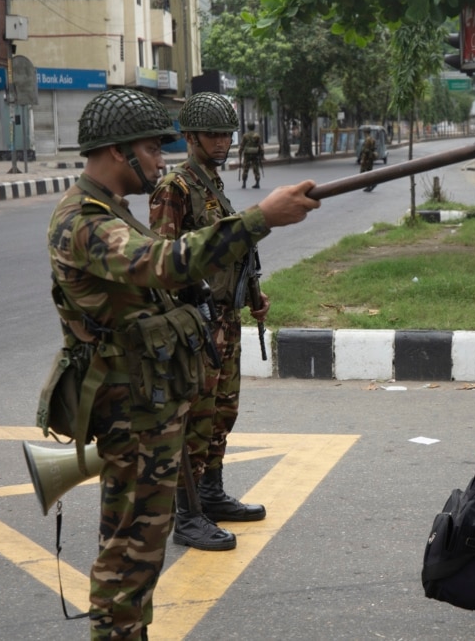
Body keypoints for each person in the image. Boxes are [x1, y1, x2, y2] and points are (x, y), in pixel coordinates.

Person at [47, 88, 319, 639]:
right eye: (152, 149)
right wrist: (259, 219)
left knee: (138, 556)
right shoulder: (85, 222)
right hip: (129, 411)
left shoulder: (108, 210)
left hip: (144, 404)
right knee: (128, 556)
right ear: (120, 151)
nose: (160, 160)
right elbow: (164, 262)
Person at [149, 92, 267, 552]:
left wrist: (253, 296)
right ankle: (188, 514)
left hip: (226, 319)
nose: (222, 142)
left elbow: (234, 251)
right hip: (197, 323)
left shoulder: (212, 185)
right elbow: (162, 264)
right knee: (195, 420)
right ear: (191, 136)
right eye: (214, 134)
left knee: (221, 414)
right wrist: (184, 321)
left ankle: (212, 494)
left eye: (227, 134)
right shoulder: (174, 189)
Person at [239, 124, 263, 189]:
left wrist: (240, 152)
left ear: (248, 127)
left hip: (247, 154)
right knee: (256, 168)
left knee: (245, 168)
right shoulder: (257, 136)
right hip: (255, 153)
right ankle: (257, 183)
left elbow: (242, 145)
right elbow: (259, 145)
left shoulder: (245, 136)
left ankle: (244, 183)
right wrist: (261, 153)